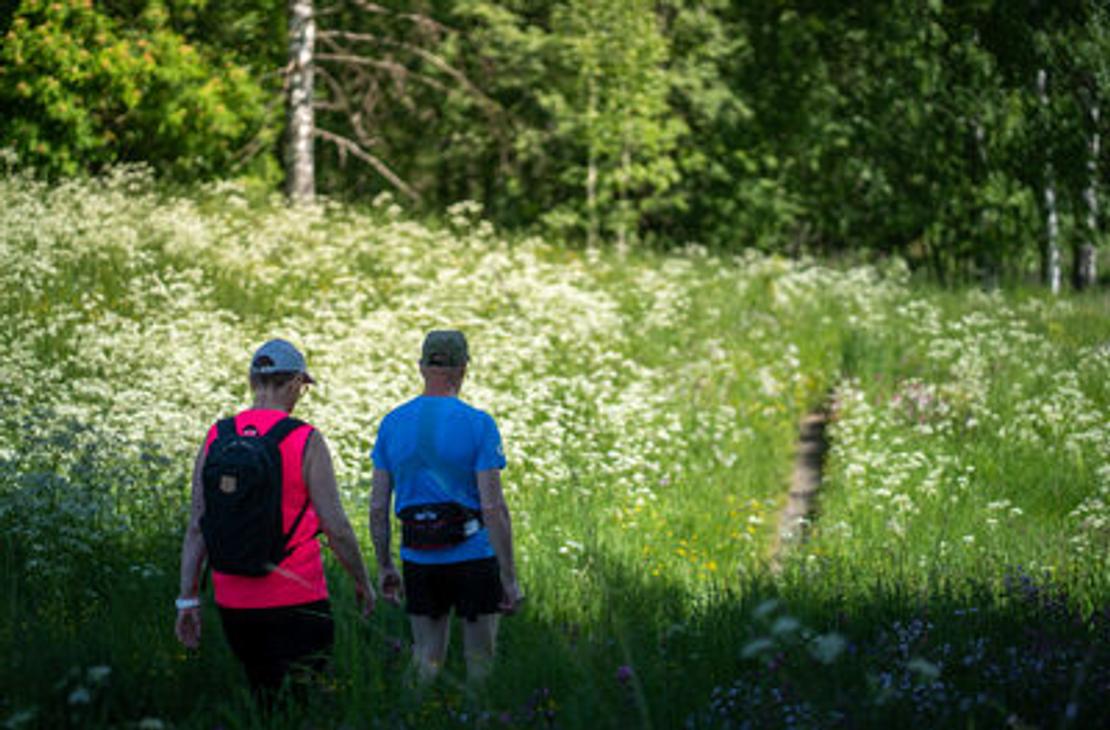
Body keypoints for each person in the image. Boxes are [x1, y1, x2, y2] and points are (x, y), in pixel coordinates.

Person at [175, 338, 375, 704]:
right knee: (305, 705)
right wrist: (362, 581)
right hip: (298, 599)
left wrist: (187, 600)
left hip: (234, 602)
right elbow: (336, 526)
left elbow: (197, 525)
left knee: (263, 704)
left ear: (254, 381)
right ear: (297, 383)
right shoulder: (305, 439)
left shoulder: (218, 436)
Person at [369, 330, 523, 684]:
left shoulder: (392, 423)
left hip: (418, 557)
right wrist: (508, 577)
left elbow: (378, 507)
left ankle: (410, 721)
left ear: (422, 367)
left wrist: (384, 565)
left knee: (425, 659)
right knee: (480, 663)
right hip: (474, 557)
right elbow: (493, 507)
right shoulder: (479, 423)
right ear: (463, 369)